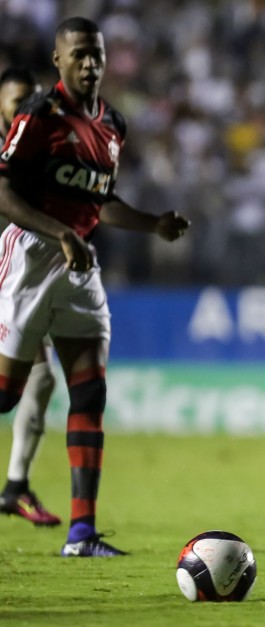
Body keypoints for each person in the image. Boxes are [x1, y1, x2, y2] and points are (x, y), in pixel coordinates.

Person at [0, 17, 190, 556]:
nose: (90, 63)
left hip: (81, 265)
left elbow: (99, 202)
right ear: (58, 60)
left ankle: (82, 533)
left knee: (88, 394)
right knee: (6, 395)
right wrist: (59, 232)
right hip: (32, 260)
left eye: (97, 55)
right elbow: (4, 194)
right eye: (80, 54)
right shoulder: (39, 116)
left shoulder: (113, 124)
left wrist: (152, 223)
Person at [0, 67, 61, 527]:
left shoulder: (39, 155)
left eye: (29, 100)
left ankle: (15, 488)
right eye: (16, 99)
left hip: (20, 284)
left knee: (39, 382)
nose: (23, 107)